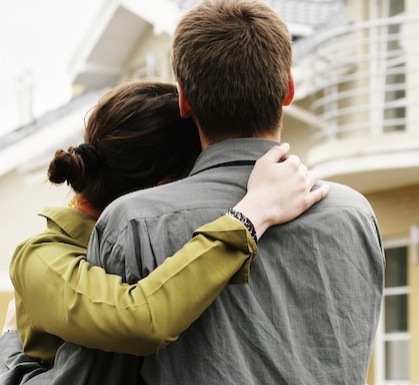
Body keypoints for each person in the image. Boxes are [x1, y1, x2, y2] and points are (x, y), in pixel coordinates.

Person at [13, 0, 385, 384]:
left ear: (185, 100)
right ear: (288, 89)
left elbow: (117, 345)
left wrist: (11, 349)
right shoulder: (353, 213)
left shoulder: (135, 225)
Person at [0, 80, 327, 384]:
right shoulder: (41, 257)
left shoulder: (170, 243)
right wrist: (252, 214)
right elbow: (138, 320)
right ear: (165, 188)